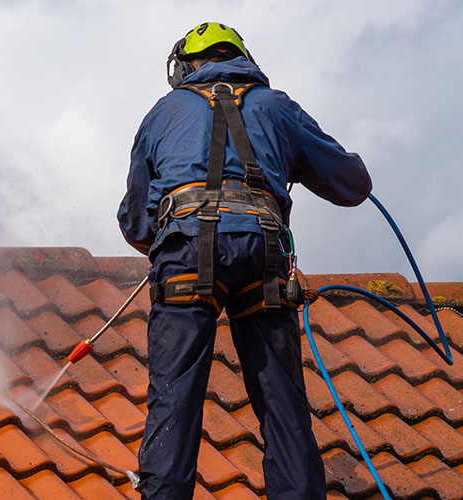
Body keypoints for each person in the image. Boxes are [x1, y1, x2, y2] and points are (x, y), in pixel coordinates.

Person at [117, 22, 372, 499]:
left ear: (187, 67)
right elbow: (353, 185)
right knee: (282, 401)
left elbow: (135, 223)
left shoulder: (162, 113)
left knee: (174, 399)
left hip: (187, 254)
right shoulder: (278, 107)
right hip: (262, 250)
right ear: (242, 59)